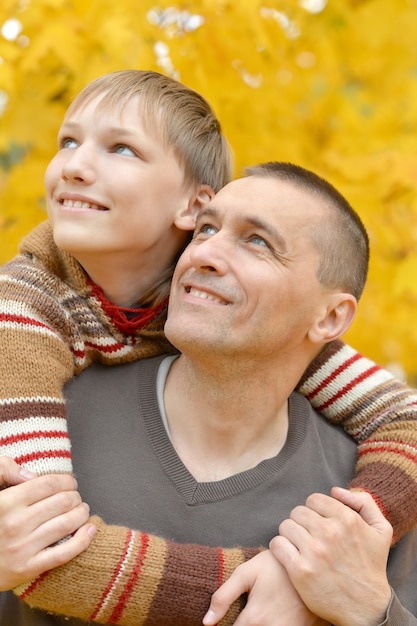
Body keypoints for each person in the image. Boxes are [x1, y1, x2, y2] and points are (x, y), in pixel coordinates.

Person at [0, 67, 416, 621]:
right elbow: (46, 551)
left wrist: (364, 584)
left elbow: (404, 418)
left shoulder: (345, 465)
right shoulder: (25, 323)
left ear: (330, 317)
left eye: (258, 242)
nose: (74, 166)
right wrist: (291, 585)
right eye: (67, 142)